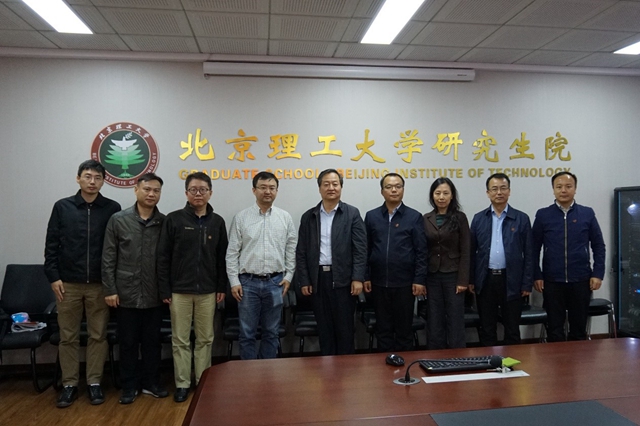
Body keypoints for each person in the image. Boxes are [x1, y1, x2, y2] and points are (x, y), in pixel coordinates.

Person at [44, 160, 121, 408]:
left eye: (97, 178)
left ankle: (94, 382)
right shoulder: (62, 207)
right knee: (68, 336)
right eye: (87, 176)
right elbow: (51, 245)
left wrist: (112, 283)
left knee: (98, 335)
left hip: (100, 284)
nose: (92, 182)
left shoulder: (112, 208)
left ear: (103, 181)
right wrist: (53, 276)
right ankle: (69, 384)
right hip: (68, 284)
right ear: (78, 178)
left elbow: (116, 249)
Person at [157, 172, 228, 403]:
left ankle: (202, 381)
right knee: (180, 339)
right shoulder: (174, 220)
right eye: (194, 190)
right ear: (186, 193)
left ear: (210, 193)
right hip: (179, 291)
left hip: (208, 291)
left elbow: (222, 258)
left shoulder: (217, 222)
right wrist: (165, 289)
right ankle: (182, 383)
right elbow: (163, 257)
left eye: (203, 190)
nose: (199, 194)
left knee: (205, 338)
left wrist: (221, 287)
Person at [102, 173, 168, 404]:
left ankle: (151, 383)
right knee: (127, 342)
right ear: (136, 189)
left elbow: (168, 259)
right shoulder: (118, 220)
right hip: (125, 294)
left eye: (156, 191)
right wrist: (110, 289)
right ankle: (129, 386)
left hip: (154, 294)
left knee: (152, 342)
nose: (151, 194)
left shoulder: (164, 222)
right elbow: (108, 258)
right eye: (147, 189)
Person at [226, 171, 297, 360]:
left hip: (275, 283)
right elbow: (232, 253)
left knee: (271, 333)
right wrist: (234, 281)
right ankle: (249, 374)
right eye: (263, 187)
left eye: (272, 188)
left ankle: (268, 373)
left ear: (277, 191)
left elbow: (291, 250)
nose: (268, 191)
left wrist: (288, 276)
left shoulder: (285, 217)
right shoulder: (241, 218)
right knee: (247, 333)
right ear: (254, 190)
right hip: (247, 284)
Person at [295, 169, 367, 355]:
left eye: (335, 184)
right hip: (318, 280)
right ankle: (327, 369)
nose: (331, 188)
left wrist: (357, 278)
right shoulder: (309, 216)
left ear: (341, 187)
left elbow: (360, 249)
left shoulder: (352, 214)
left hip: (344, 280)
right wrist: (305, 280)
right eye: (326, 184)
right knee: (324, 330)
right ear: (319, 188)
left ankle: (346, 369)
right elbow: (301, 251)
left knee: (345, 330)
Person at [532, 171, 605, 342]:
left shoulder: (587, 213)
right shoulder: (543, 215)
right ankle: (556, 359)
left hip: (581, 280)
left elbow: (598, 246)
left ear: (575, 189)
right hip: (552, 281)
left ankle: (578, 359)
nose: (563, 190)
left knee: (578, 330)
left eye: (568, 186)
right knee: (554, 330)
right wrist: (537, 275)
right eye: (559, 187)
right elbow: (533, 249)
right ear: (553, 190)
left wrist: (597, 273)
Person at [364, 173, 427, 352]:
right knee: (383, 329)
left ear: (403, 190)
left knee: (404, 330)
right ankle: (384, 365)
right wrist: (366, 276)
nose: (393, 190)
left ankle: (404, 365)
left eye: (398, 186)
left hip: (405, 284)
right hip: (378, 283)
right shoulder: (372, 216)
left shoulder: (414, 217)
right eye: (389, 187)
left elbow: (421, 251)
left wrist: (419, 279)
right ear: (382, 191)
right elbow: (366, 249)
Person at [469, 173, 533, 346]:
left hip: (511, 280)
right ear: (488, 193)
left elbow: (529, 253)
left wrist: (527, 283)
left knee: (512, 328)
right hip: (486, 279)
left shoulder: (521, 218)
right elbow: (471, 252)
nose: (499, 192)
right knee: (487, 327)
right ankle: (488, 361)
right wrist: (471, 280)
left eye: (503, 188)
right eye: (494, 189)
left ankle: (512, 362)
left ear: (509, 191)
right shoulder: (479, 218)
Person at [423, 177, 470, 349]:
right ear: (432, 196)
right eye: (437, 193)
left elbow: (466, 250)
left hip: (453, 275)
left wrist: (463, 280)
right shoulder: (426, 218)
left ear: (452, 196)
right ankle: (435, 356)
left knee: (455, 318)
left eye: (445, 193)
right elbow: (423, 249)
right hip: (432, 275)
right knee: (434, 318)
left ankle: (457, 356)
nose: (441, 197)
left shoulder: (460, 218)